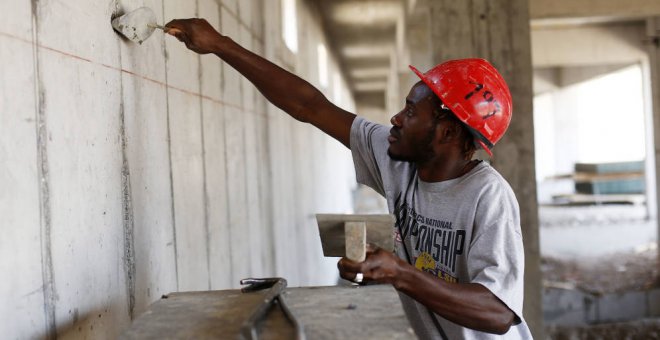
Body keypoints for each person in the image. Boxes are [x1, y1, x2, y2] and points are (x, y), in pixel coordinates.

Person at [164, 18, 533, 339]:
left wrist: (400, 274)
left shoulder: (487, 197)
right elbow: (310, 106)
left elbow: (498, 313)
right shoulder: (398, 162)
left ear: (448, 133)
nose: (396, 119)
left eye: (410, 111)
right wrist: (220, 45)